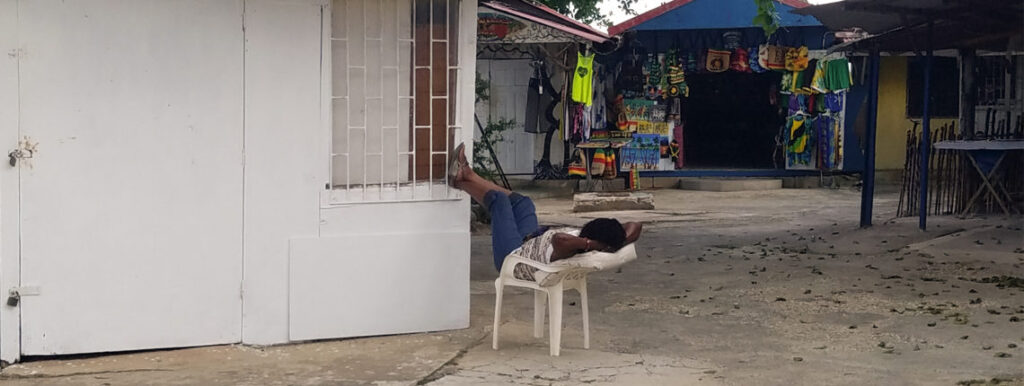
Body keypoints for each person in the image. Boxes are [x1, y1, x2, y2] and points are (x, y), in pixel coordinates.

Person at [448, 143, 642, 281]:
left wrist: (591, 243)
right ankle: (464, 177)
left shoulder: (573, 246)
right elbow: (636, 226)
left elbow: (558, 239)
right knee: (523, 203)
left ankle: (463, 177)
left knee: (500, 201)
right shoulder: (595, 242)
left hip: (512, 258)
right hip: (529, 241)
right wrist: (619, 239)